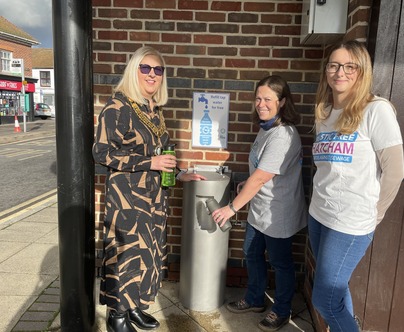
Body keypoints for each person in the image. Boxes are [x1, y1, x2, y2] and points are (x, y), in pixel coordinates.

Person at [93, 46, 205, 332]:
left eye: (158, 69)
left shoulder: (154, 110)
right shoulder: (118, 106)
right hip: (128, 199)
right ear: (134, 71)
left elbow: (160, 154)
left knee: (148, 255)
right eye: (146, 68)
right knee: (126, 256)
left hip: (153, 199)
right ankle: (117, 316)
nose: (152, 74)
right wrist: (149, 162)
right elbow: (101, 152)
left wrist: (178, 173)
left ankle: (134, 309)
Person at [308, 40, 404, 332]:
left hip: (351, 223)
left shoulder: (376, 110)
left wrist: (375, 214)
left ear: (362, 72)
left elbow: (396, 170)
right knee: (336, 292)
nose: (341, 72)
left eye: (351, 66)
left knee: (324, 298)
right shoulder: (324, 112)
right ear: (327, 71)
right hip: (319, 215)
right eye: (334, 65)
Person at [212, 75, 307, 332]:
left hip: (279, 214)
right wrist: (247, 185)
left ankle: (281, 310)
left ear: (282, 102)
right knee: (252, 253)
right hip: (259, 208)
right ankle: (254, 299)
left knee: (280, 263)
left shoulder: (283, 135)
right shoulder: (266, 128)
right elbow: (259, 172)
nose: (261, 104)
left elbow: (262, 177)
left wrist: (232, 208)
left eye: (268, 99)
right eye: (258, 98)